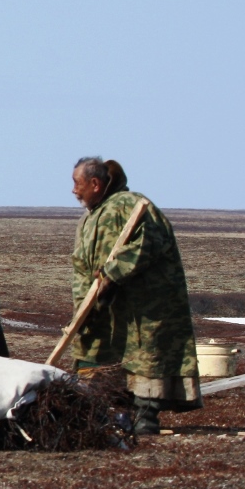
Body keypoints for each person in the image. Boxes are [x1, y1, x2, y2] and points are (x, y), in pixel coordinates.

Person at [69, 156, 200, 435]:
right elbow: (83, 264)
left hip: (144, 305)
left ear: (95, 183)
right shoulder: (91, 217)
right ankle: (109, 417)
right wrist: (85, 302)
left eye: (76, 183)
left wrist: (111, 275)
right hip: (106, 307)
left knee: (145, 357)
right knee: (98, 353)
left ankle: (145, 420)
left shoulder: (133, 206)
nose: (73, 191)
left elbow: (148, 243)